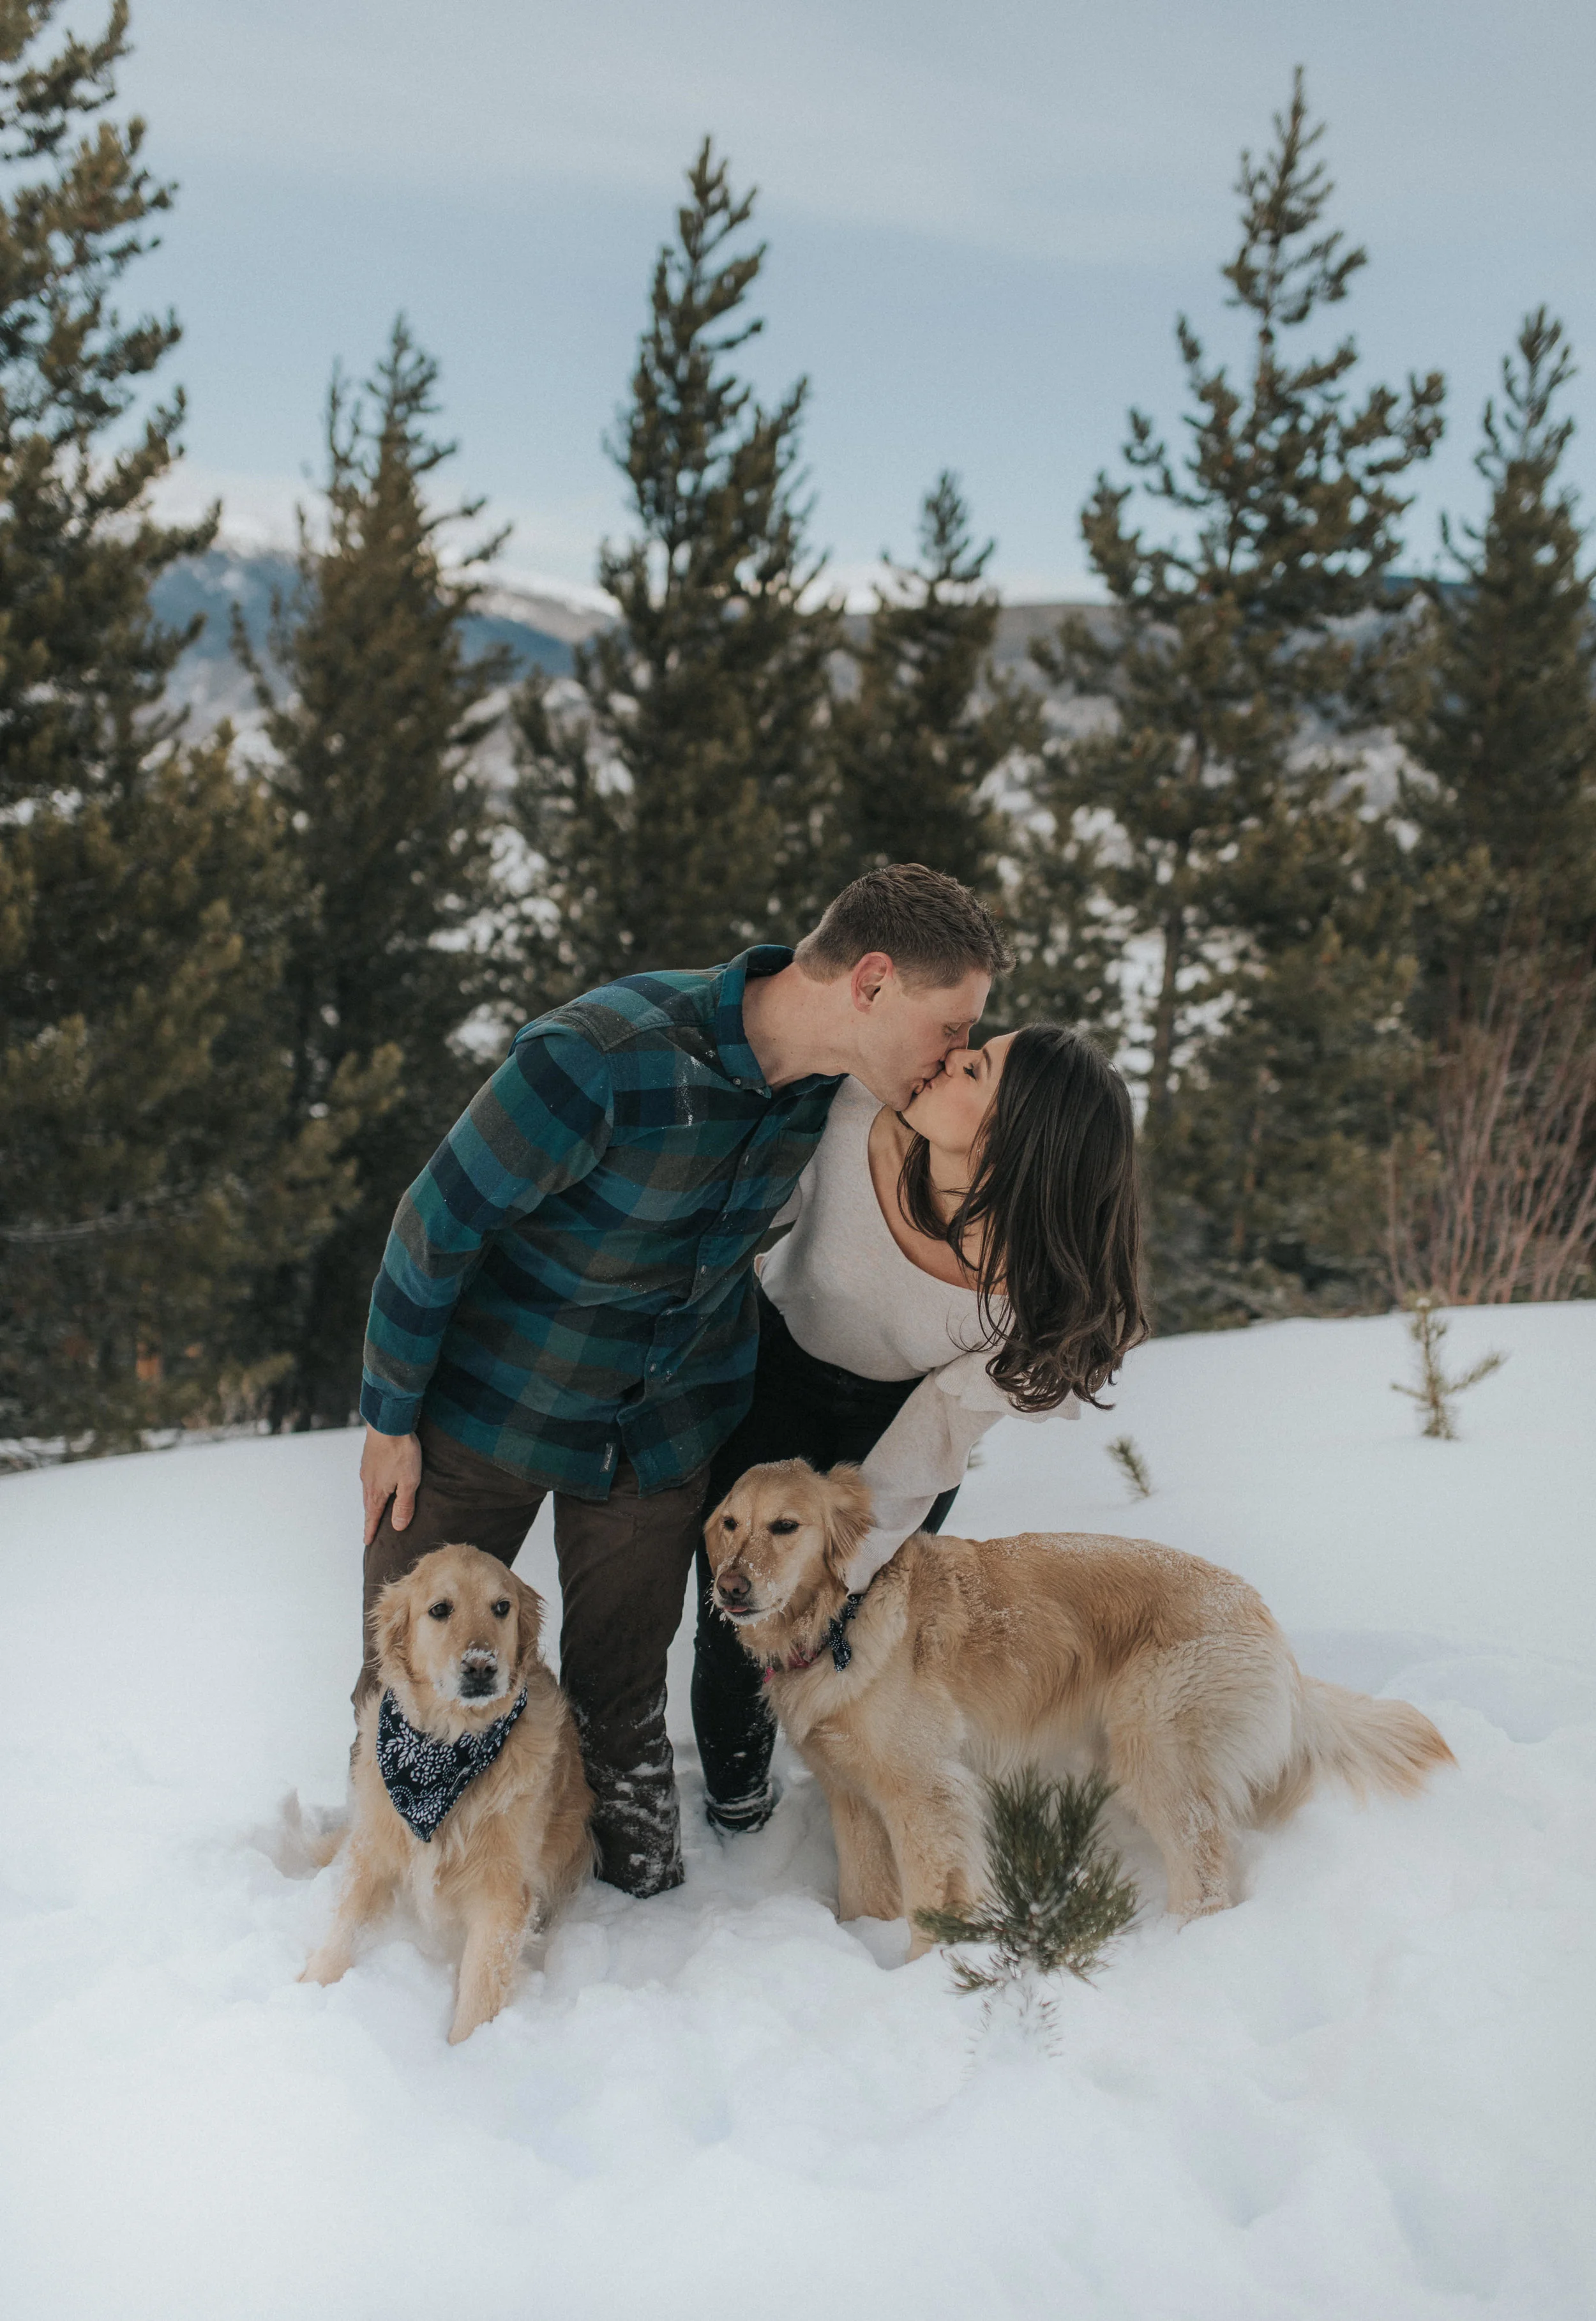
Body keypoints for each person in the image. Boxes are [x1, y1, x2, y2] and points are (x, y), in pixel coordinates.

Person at [355, 865, 1011, 1898]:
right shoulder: (601, 1058)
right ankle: (391, 1893)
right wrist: (392, 1417)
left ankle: (638, 1912)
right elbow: (433, 1225)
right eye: (953, 1026)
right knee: (405, 1671)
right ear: (873, 983)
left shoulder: (838, 1102)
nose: (958, 1056)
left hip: (661, 1438)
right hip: (493, 1409)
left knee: (621, 1696)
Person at [691, 1022, 1148, 1833]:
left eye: (974, 1067)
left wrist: (848, 1565)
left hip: (895, 1421)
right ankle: (737, 1803)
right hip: (772, 1368)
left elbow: (932, 1438)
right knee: (738, 1612)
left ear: (1015, 1140)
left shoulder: (1022, 1296)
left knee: (862, 1622)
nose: (946, 1059)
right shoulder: (855, 1111)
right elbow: (735, 1206)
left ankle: (874, 1781)